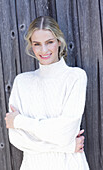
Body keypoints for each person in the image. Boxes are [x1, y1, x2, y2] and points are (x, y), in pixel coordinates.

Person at [5, 16, 89, 170]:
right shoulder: (22, 82)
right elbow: (17, 139)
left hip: (69, 165)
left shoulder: (75, 77)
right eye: (37, 44)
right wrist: (67, 147)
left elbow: (66, 132)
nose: (44, 50)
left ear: (58, 41)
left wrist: (19, 121)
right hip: (33, 165)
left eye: (49, 42)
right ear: (31, 46)